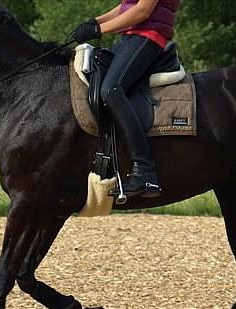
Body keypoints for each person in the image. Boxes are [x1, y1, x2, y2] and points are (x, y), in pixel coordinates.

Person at [73, 0, 180, 198]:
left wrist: (99, 30)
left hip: (148, 35)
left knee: (111, 90)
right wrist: (94, 22)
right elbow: (127, 6)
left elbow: (142, 11)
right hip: (130, 35)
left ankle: (145, 171)